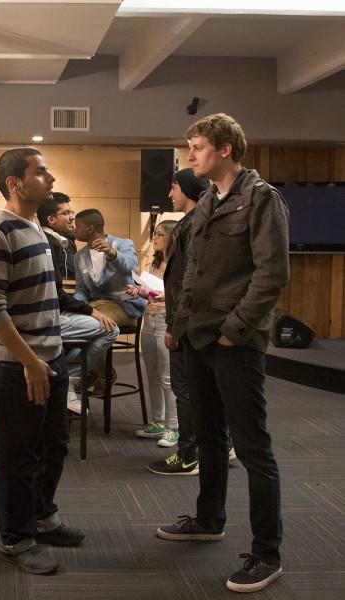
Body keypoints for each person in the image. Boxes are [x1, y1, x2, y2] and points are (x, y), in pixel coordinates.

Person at [157, 113, 289, 594]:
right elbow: (192, 272)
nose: (189, 156)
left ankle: (266, 553)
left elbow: (271, 274)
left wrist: (235, 330)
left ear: (226, 148)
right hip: (196, 338)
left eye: (196, 147)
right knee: (209, 439)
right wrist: (179, 325)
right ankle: (208, 518)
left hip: (233, 343)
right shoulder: (210, 200)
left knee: (253, 449)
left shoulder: (262, 199)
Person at [0, 147, 83, 575]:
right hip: (11, 361)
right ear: (15, 183)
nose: (51, 178)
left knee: (52, 445)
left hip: (45, 359)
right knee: (17, 454)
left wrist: (46, 358)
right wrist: (30, 362)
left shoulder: (34, 225)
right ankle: (15, 538)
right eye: (41, 172)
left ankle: (41, 516)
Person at [148, 168, 209, 476]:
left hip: (186, 324)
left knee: (184, 390)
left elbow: (189, 281)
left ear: (187, 189)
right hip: (191, 321)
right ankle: (205, 450)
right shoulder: (197, 222)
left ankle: (187, 456)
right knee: (193, 390)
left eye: (173, 188)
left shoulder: (192, 225)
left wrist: (174, 326)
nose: (170, 194)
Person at [37, 196, 118, 412]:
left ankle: (73, 379)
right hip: (53, 314)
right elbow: (59, 290)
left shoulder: (63, 240)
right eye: (66, 213)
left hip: (65, 306)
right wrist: (89, 309)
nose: (73, 216)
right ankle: (74, 377)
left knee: (98, 325)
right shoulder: (50, 242)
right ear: (51, 219)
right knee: (109, 328)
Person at [73, 208, 145, 393]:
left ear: (90, 228)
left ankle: (93, 373)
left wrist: (112, 254)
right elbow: (81, 290)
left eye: (77, 226)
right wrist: (77, 307)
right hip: (95, 307)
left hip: (124, 305)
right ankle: (93, 371)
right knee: (74, 321)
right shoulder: (79, 256)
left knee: (92, 324)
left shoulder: (122, 244)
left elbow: (131, 266)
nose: (74, 230)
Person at [128, 221, 178, 445]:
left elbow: (182, 294)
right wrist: (139, 290)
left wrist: (164, 295)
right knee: (154, 375)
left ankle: (173, 427)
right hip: (149, 319)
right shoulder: (154, 261)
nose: (154, 239)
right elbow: (151, 294)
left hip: (167, 320)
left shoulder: (179, 263)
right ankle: (157, 421)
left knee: (169, 378)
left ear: (171, 237)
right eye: (154, 234)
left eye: (159, 235)